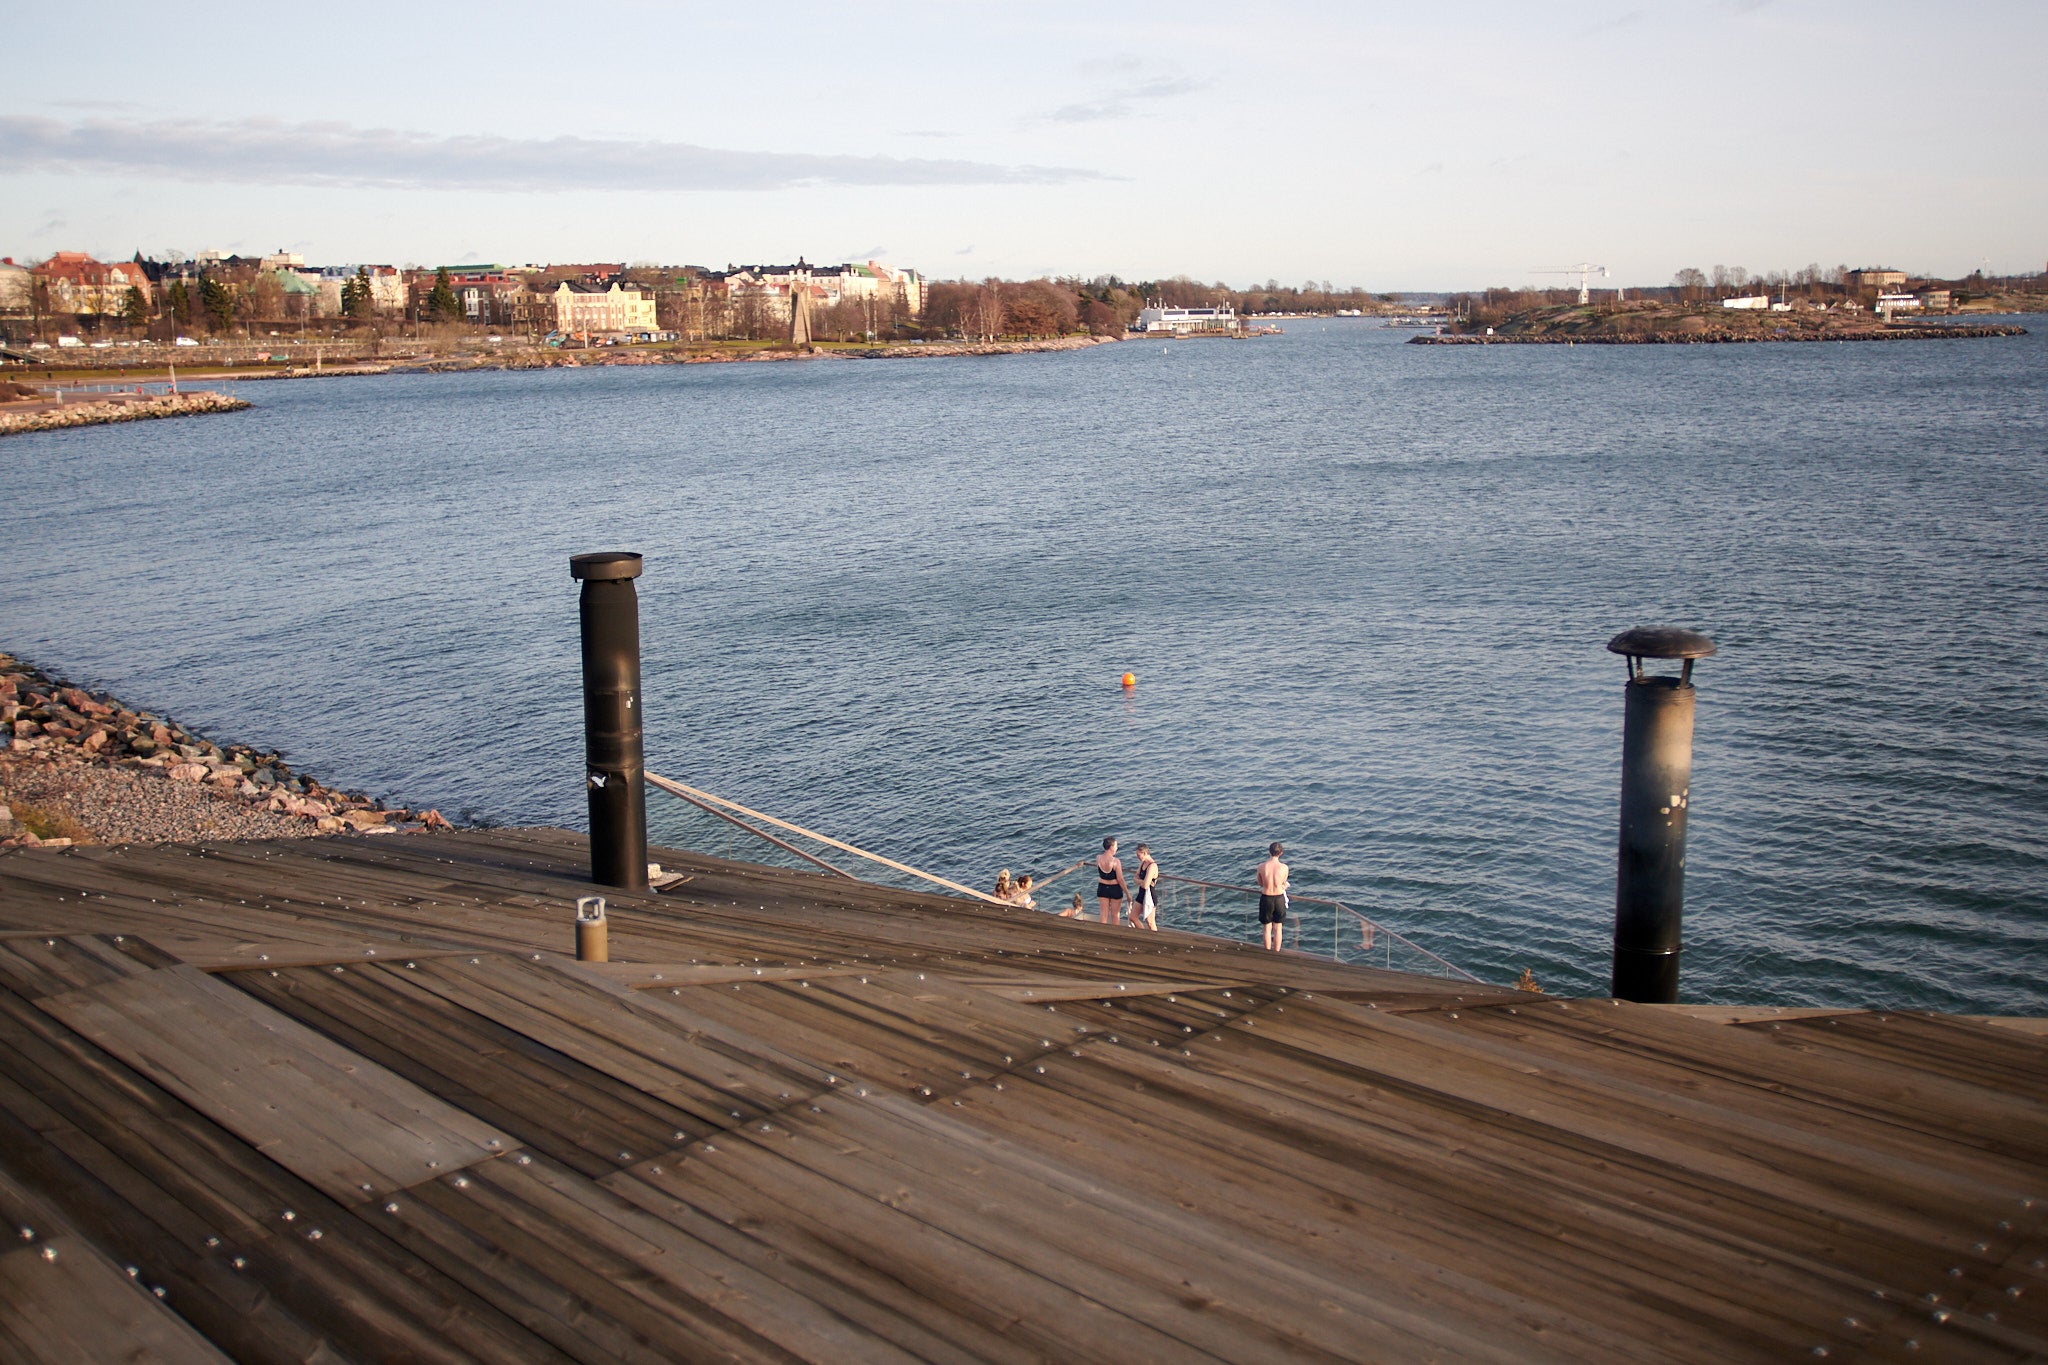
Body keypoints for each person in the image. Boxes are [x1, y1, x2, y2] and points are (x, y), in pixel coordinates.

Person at [1256, 841, 1289, 951]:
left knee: (1266, 927)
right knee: (1278, 927)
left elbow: (1260, 883)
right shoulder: (1284, 867)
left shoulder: (1261, 866)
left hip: (1266, 897)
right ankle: (1277, 951)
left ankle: (1267, 951)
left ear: (1269, 852)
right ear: (1281, 853)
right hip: (1279, 898)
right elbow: (1283, 882)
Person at [1095, 836, 1129, 925]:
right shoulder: (1116, 861)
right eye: (1116, 846)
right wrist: (1127, 894)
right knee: (1115, 915)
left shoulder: (1098, 858)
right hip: (1114, 889)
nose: (1117, 848)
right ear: (1111, 847)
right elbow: (1120, 879)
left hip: (1102, 887)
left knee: (1103, 915)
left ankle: (1102, 935)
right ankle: (1115, 936)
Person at [1131, 844, 1160, 931]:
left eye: (1138, 855)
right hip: (1141, 893)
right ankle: (1143, 934)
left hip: (1150, 896)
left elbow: (1145, 885)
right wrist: (1141, 881)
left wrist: (1140, 881)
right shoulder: (1143, 863)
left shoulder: (1152, 866)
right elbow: (1135, 877)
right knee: (1133, 917)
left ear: (1144, 853)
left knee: (1150, 922)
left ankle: (1156, 940)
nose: (1137, 857)